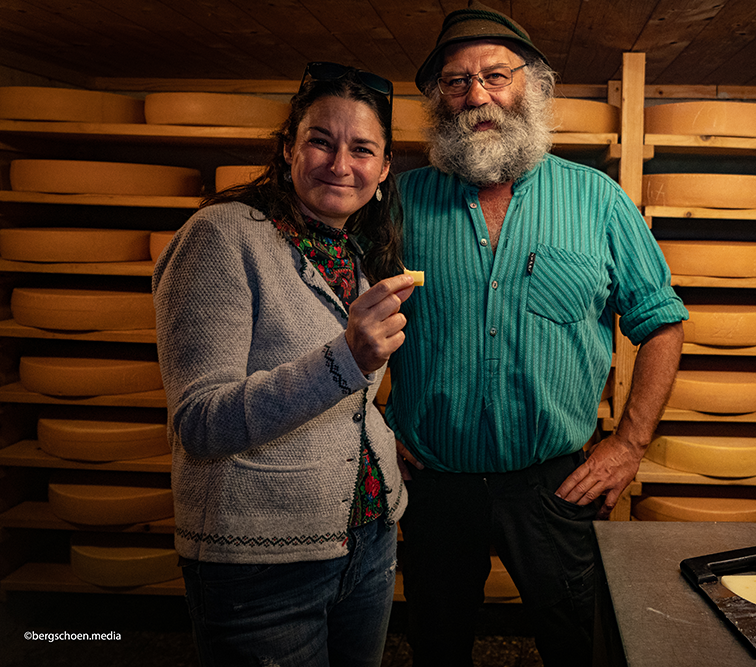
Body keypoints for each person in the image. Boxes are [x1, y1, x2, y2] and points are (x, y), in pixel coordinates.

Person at [386, 3, 688, 665]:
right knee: (436, 642)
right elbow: (341, 321)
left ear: (535, 87)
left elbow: (662, 322)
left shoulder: (597, 199)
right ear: (439, 99)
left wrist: (632, 441)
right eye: (457, 82)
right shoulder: (398, 203)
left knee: (576, 639)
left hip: (553, 483)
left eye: (496, 75)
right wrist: (366, 429)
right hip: (434, 481)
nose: (477, 96)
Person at [152, 62, 414, 667]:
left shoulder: (353, 251)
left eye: (362, 149)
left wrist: (380, 442)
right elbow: (199, 422)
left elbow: (345, 404)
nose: (339, 164)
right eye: (320, 140)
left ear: (382, 170)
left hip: (368, 539)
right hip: (262, 566)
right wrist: (346, 360)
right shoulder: (221, 236)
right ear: (289, 147)